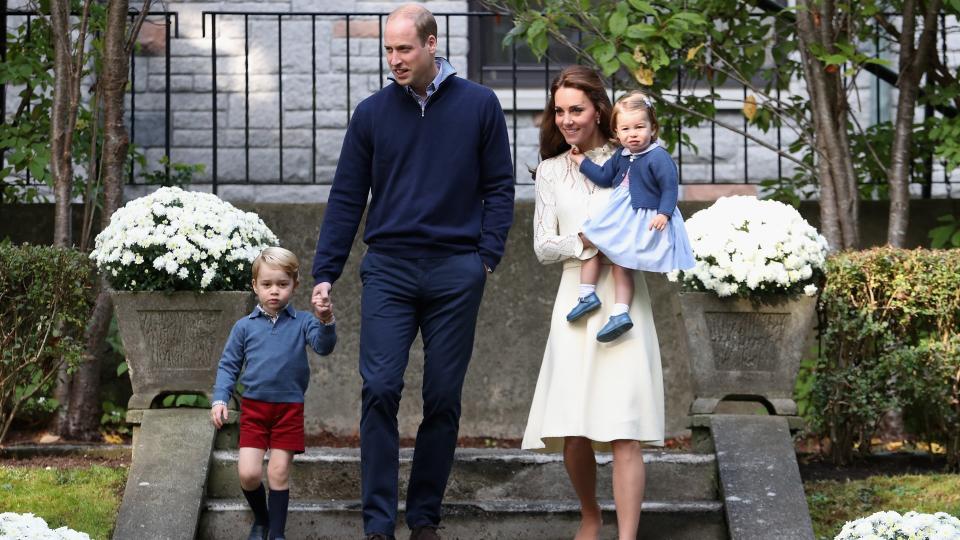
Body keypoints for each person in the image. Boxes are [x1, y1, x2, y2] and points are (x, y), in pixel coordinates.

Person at [310, 4, 515, 539]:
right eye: (388, 50)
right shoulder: (372, 112)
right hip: (389, 271)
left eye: (404, 49)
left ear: (431, 43)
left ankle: (424, 517)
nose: (394, 60)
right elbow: (347, 196)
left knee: (443, 397)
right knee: (378, 388)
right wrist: (325, 270)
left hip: (456, 271)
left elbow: (500, 186)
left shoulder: (479, 105)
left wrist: (485, 258)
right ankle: (378, 524)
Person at [522, 66, 665, 540]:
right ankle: (590, 515)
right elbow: (544, 245)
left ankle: (628, 537)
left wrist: (625, 241)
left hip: (623, 296)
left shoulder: (632, 157)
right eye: (559, 111)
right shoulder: (549, 171)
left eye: (576, 110)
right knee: (573, 425)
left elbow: (654, 221)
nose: (566, 119)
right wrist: (587, 241)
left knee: (625, 424)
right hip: (574, 296)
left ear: (600, 111)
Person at [210, 247, 337, 540]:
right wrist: (220, 399)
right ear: (255, 286)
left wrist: (326, 319)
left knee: (278, 473)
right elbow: (228, 365)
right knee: (249, 474)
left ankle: (277, 534)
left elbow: (323, 346)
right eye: (267, 285)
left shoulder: (304, 322)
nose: (274, 291)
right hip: (255, 410)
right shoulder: (244, 327)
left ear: (295, 285)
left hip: (288, 410)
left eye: (282, 284)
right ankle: (262, 519)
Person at [566, 90, 695, 343]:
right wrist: (581, 161)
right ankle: (587, 295)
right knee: (591, 242)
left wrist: (664, 214)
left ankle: (620, 312)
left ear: (652, 128)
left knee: (621, 263)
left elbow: (670, 188)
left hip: (640, 216)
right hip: (620, 214)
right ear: (616, 132)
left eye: (639, 127)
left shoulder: (658, 157)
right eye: (625, 129)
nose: (632, 134)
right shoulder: (621, 155)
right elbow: (604, 176)